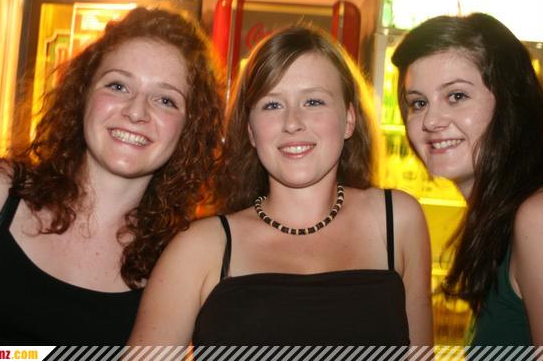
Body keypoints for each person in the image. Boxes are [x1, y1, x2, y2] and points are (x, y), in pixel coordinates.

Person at [129, 25, 433, 345]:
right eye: (272, 105)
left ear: (349, 119)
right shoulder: (199, 248)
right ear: (250, 130)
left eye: (313, 102)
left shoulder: (397, 221)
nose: (292, 123)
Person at [0, 6, 224, 344]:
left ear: (190, 127)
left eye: (165, 100)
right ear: (83, 93)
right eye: (118, 86)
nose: (136, 112)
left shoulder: (180, 261)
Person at [391, 13, 543, 345]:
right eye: (418, 103)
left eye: (456, 96)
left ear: (510, 102)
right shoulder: (498, 220)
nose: (431, 120)